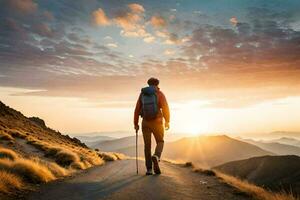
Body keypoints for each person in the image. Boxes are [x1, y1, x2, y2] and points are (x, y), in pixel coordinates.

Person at [134, 77, 170, 175]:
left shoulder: (142, 94)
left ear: (148, 84)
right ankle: (156, 156)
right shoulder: (159, 94)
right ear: (157, 84)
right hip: (157, 121)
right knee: (160, 141)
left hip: (145, 122)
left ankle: (149, 169)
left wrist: (135, 124)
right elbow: (165, 108)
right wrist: (167, 121)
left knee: (147, 146)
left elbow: (137, 109)